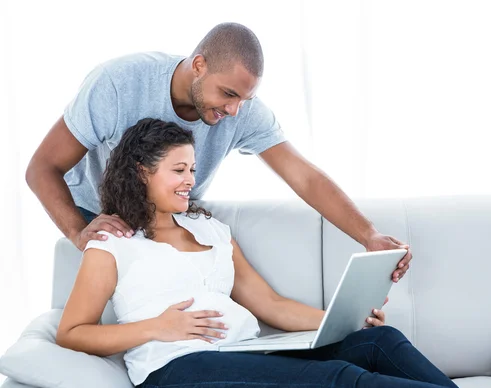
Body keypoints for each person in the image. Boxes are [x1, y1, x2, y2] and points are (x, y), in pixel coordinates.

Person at [56, 118, 491, 388]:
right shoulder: (114, 246)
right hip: (176, 374)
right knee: (336, 381)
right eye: (177, 170)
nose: (190, 181)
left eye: (192, 169)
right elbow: (72, 332)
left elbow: (269, 303)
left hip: (244, 354)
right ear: (141, 174)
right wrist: (157, 327)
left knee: (376, 341)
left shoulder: (211, 230)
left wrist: (339, 320)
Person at [25, 22, 412, 282]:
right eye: (227, 94)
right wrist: (78, 232)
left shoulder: (239, 112)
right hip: (102, 216)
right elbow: (42, 167)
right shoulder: (118, 84)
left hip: (165, 224)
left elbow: (305, 177)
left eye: (246, 98)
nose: (233, 111)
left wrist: (369, 235)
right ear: (198, 65)